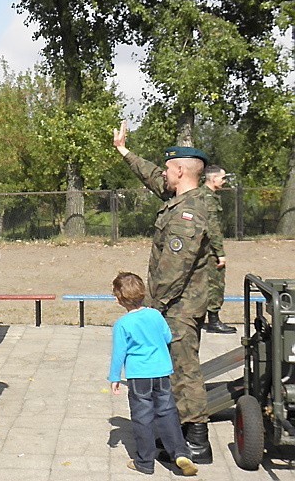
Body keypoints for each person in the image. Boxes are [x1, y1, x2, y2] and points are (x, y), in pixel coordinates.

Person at [113, 121, 213, 464]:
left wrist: (148, 309)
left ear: (182, 170)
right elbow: (154, 177)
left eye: (170, 168)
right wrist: (124, 150)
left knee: (185, 370)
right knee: (175, 370)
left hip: (180, 305)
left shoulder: (188, 212)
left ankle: (197, 440)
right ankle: (179, 435)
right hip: (177, 303)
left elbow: (174, 268)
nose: (165, 174)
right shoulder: (182, 196)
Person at [109, 272, 198, 476]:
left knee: (142, 417)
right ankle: (180, 452)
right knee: (167, 412)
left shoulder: (123, 324)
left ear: (119, 299)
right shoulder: (155, 315)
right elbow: (167, 337)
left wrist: (114, 377)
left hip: (139, 376)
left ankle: (145, 461)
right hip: (162, 372)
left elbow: (118, 353)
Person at [201, 165, 235, 333]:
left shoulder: (206, 195)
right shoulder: (208, 198)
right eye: (222, 178)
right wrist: (220, 253)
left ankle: (203, 319)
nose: (224, 181)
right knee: (215, 284)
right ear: (213, 179)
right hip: (209, 250)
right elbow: (212, 228)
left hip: (203, 248)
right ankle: (213, 321)